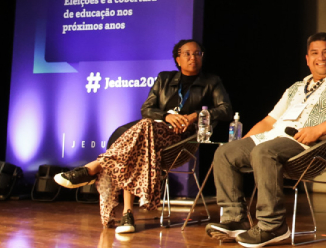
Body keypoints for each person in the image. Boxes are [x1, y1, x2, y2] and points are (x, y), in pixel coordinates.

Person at [204, 33, 326, 248]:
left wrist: (317, 130)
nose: (321, 58)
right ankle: (235, 219)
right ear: (307, 59)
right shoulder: (296, 88)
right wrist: (241, 144)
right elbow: (269, 121)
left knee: (264, 152)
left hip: (306, 144)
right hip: (273, 138)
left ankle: (273, 226)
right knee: (225, 152)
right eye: (315, 53)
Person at [54, 39, 232, 234]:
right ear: (177, 59)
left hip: (181, 141)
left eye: (197, 53)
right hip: (152, 135)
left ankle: (93, 168)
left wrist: (195, 116)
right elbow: (147, 109)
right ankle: (127, 215)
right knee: (141, 138)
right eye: (187, 54)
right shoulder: (164, 78)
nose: (193, 57)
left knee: (141, 133)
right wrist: (166, 116)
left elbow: (225, 109)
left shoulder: (211, 81)